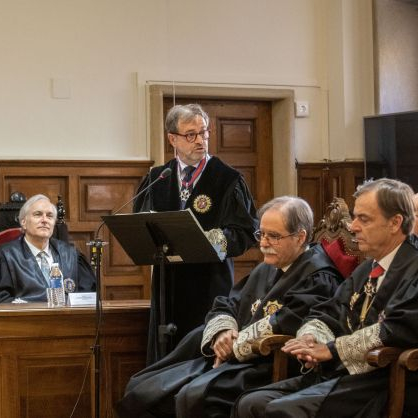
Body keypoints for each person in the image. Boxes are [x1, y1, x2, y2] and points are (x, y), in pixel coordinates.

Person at [116, 196, 341, 418]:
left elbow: (287, 322)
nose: (263, 244)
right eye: (261, 234)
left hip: (268, 363)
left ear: (300, 237)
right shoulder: (268, 267)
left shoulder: (318, 277)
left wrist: (234, 344)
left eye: (273, 236)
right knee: (142, 387)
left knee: (190, 396)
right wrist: (223, 332)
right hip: (232, 358)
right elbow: (228, 303)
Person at [234, 178, 418, 418]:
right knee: (250, 403)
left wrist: (332, 350)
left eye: (364, 219)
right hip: (342, 374)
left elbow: (398, 328)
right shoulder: (367, 268)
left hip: (383, 381)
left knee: (279, 410)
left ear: (395, 223)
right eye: (354, 217)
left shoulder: (413, 268)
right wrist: (312, 339)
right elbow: (328, 311)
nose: (352, 227)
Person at [134, 103, 259, 362]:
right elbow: (141, 225)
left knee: (200, 354)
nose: (200, 140)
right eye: (191, 134)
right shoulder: (157, 178)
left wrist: (211, 240)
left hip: (210, 283)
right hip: (168, 284)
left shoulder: (227, 179)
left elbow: (246, 231)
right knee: (167, 352)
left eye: (204, 133)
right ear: (173, 139)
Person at [0, 194, 96, 302]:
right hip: (26, 322)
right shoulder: (5, 257)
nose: (44, 220)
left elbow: (88, 296)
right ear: (23, 222)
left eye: (49, 216)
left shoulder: (71, 255)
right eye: (38, 214)